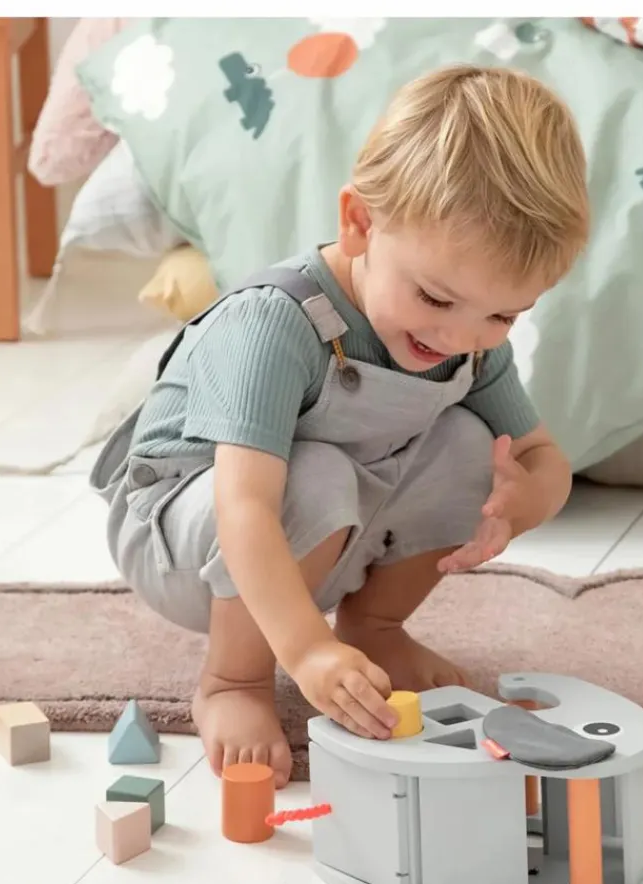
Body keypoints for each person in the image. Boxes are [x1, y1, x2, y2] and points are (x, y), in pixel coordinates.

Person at [90, 63, 590, 788]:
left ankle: (374, 627)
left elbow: (543, 457)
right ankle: (233, 680)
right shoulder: (275, 322)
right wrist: (304, 651)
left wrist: (521, 502)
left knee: (473, 448)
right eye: (435, 299)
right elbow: (245, 505)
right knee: (317, 472)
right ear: (359, 224)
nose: (460, 337)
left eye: (502, 315)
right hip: (184, 538)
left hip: (326, 535)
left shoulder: (469, 341)